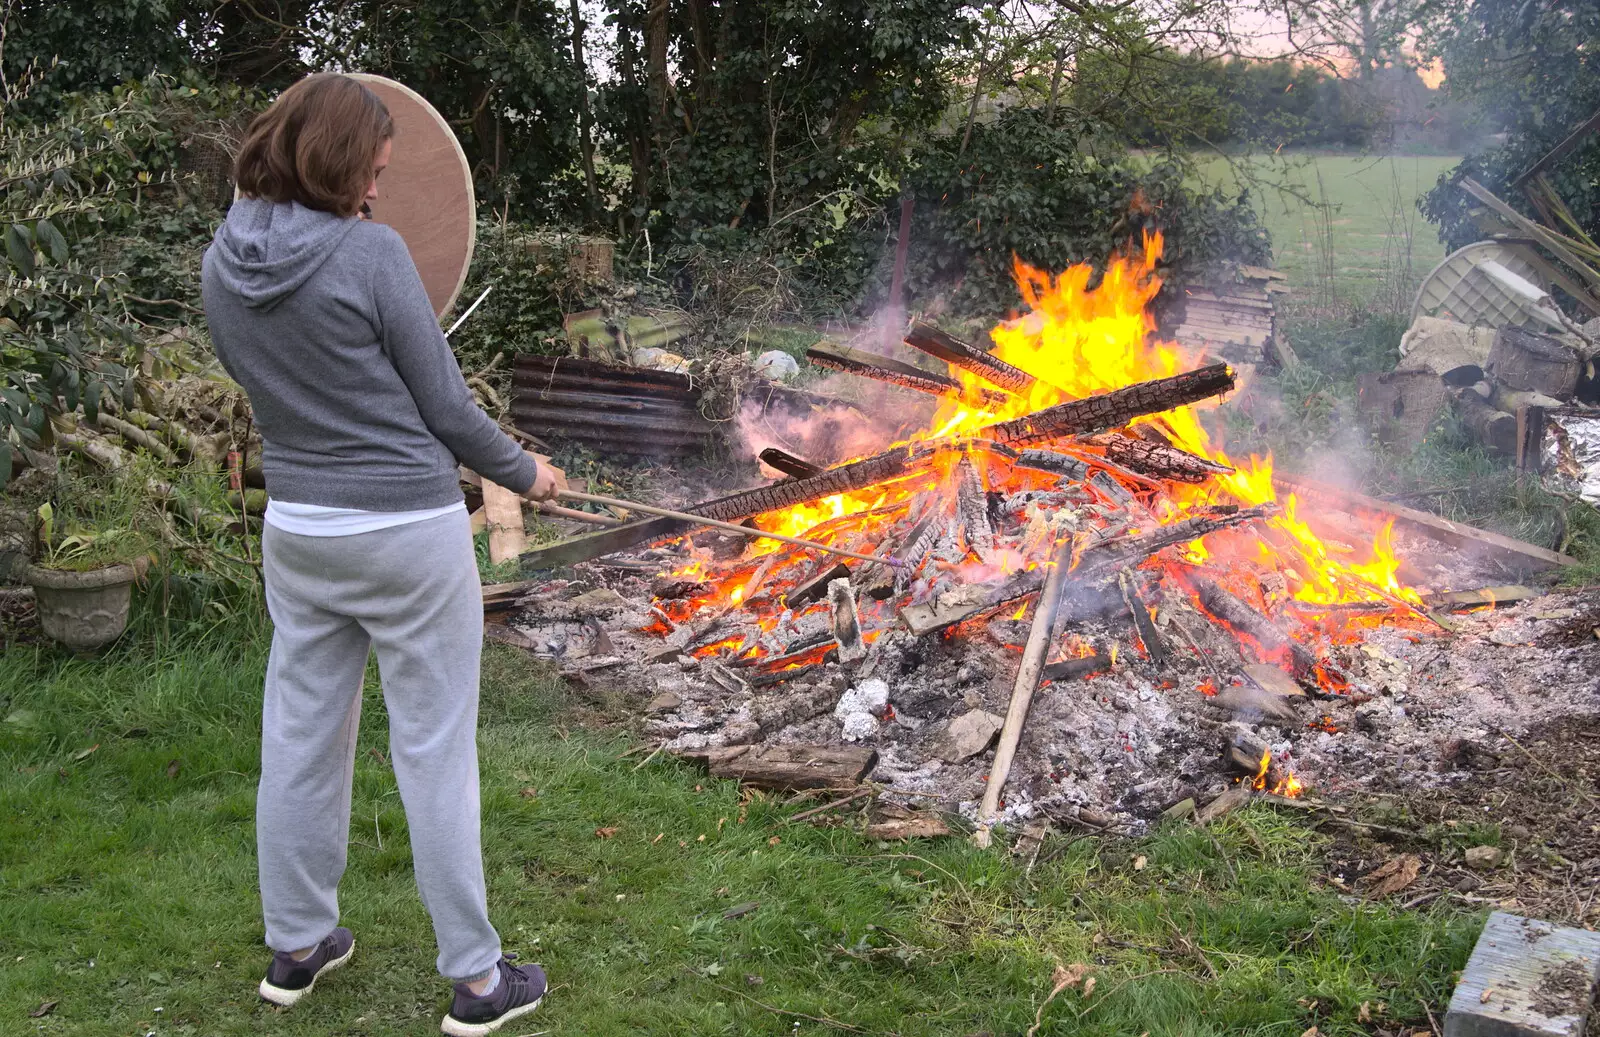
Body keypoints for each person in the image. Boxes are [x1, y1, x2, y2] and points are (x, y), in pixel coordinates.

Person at [201, 72, 557, 1037]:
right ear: (337, 164)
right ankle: (479, 983)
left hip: (302, 535)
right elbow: (444, 409)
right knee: (434, 750)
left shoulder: (222, 262)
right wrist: (526, 473)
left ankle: (299, 943)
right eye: (371, 173)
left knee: (300, 740)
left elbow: (280, 385)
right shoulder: (371, 255)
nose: (375, 193)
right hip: (405, 532)